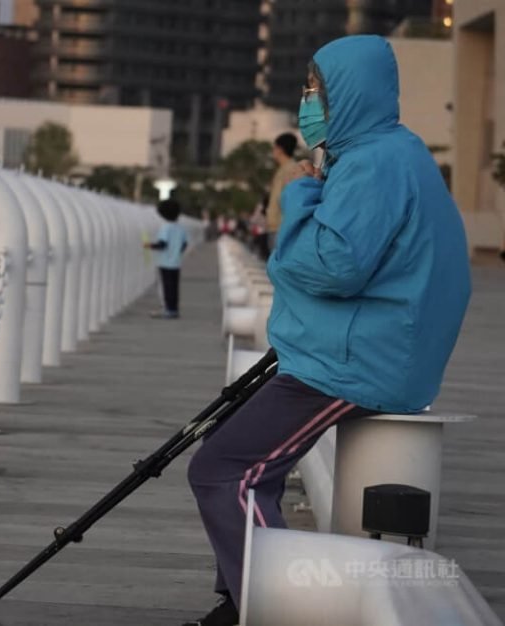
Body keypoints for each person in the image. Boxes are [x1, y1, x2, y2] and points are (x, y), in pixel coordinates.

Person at [183, 35, 471, 626]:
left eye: (315, 91)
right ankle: (238, 602)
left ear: (348, 96)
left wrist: (301, 190)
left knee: (225, 470)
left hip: (353, 361)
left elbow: (332, 264)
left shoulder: (372, 162)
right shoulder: (391, 153)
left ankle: (272, 609)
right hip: (364, 349)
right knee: (244, 461)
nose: (306, 102)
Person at [145, 198, 189, 319]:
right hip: (176, 262)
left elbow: (162, 244)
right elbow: (184, 244)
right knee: (174, 287)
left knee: (165, 286)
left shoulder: (165, 228)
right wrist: (176, 252)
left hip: (165, 262)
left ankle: (168, 309)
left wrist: (149, 245)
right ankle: (174, 309)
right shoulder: (180, 228)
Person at [265, 132, 299, 251]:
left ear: (279, 149)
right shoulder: (282, 169)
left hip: (281, 227)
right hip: (274, 226)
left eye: (274, 148)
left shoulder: (292, 169)